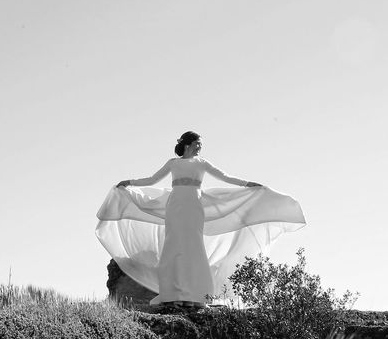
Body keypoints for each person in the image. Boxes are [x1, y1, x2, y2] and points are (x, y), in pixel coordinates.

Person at [95, 131, 306, 308]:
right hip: (175, 206)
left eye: (200, 145)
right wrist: (129, 183)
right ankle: (172, 293)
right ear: (187, 144)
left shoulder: (202, 163)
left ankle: (196, 294)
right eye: (197, 144)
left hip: (194, 208)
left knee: (193, 245)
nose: (199, 148)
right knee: (174, 245)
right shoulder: (173, 163)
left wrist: (248, 184)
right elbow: (151, 180)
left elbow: (226, 177)